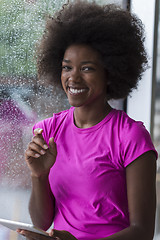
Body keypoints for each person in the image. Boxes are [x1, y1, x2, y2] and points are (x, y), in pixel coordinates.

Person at [17, 1, 158, 239]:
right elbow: (41, 222)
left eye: (87, 68)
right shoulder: (48, 130)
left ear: (110, 72)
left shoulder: (130, 136)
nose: (73, 78)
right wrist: (38, 175)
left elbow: (142, 232)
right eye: (67, 67)